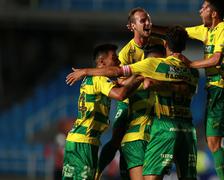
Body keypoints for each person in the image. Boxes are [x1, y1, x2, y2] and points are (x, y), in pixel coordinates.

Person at [66, 25, 199, 180]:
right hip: (142, 136)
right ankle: (97, 173)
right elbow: (121, 87)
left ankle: (97, 173)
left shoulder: (153, 68)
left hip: (159, 133)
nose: (118, 61)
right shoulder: (190, 71)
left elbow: (119, 74)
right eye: (114, 59)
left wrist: (85, 71)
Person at [153, 1, 224, 179]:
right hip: (215, 90)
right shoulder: (207, 30)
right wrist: (149, 28)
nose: (200, 10)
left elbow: (216, 59)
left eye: (204, 7)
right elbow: (176, 33)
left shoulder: (223, 28)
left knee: (214, 143)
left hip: (222, 89)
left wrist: (191, 63)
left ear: (213, 13)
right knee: (213, 142)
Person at [95, 7, 165, 180]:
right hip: (130, 99)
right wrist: (142, 77)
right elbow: (120, 82)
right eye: (143, 20)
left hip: (153, 98)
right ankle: (96, 173)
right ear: (131, 27)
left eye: (149, 19)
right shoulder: (126, 53)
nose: (148, 23)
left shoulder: (159, 43)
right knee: (118, 138)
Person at [62, 43, 143, 180]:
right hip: (84, 143)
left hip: (81, 141)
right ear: (102, 62)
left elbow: (122, 84)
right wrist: (140, 78)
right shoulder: (100, 79)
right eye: (114, 57)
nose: (118, 61)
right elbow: (120, 94)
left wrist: (138, 74)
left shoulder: (95, 79)